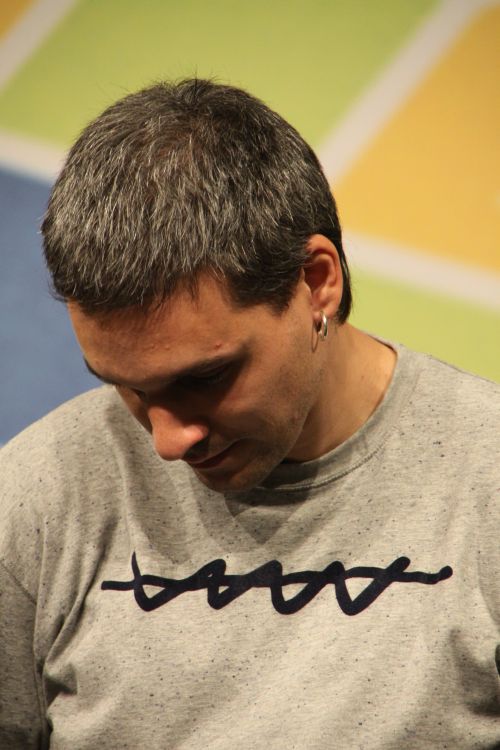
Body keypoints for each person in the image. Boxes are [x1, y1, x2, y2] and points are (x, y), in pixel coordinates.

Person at [0, 79, 498, 750]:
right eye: (127, 387)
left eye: (205, 378)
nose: (168, 441)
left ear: (317, 281)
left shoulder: (486, 481)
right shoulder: (35, 498)